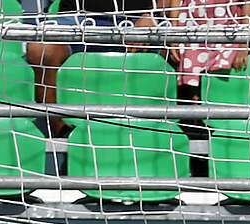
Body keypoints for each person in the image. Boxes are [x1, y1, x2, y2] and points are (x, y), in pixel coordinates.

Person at [26, 0, 162, 136]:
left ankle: (162, 132)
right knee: (40, 49)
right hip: (77, 19)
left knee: (175, 48)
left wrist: (153, 15)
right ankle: (60, 131)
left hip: (139, 18)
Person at [163, 0, 250, 100]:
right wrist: (174, 33)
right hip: (191, 23)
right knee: (190, 76)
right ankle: (194, 108)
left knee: (219, 78)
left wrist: (244, 43)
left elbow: (248, 2)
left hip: (227, 25)